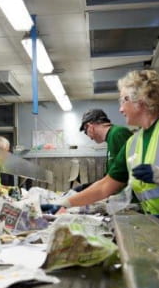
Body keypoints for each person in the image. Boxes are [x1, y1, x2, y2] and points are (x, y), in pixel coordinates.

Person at [58, 69, 159, 215]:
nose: (120, 109)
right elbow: (107, 185)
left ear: (141, 100)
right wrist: (65, 203)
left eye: (123, 100)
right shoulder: (133, 142)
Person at [76, 108, 132, 191]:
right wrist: (88, 187)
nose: (90, 138)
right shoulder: (111, 138)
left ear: (89, 126)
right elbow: (111, 175)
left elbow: (126, 173)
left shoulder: (118, 133)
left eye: (85, 132)